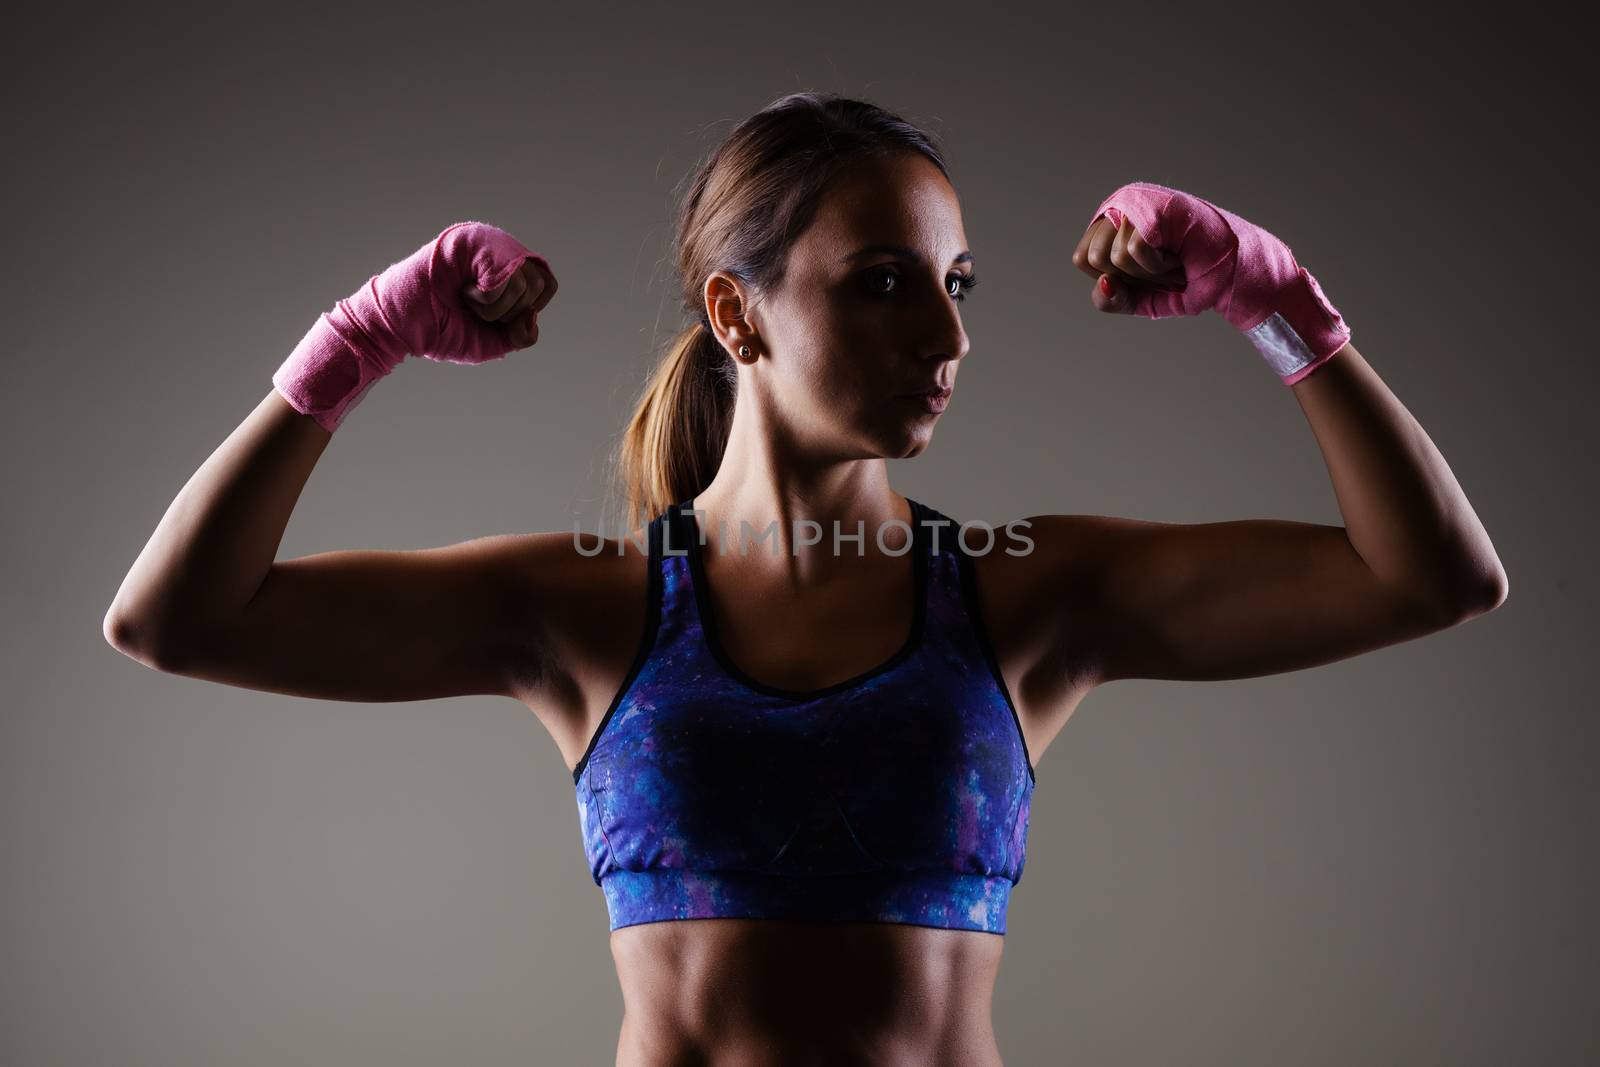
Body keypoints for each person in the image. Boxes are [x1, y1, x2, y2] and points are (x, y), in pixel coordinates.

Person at [102, 91, 1508, 1066]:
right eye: (883, 281)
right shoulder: (593, 605)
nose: (942, 333)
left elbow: (1431, 579)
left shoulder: (1025, 597)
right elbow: (175, 618)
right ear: (738, 312)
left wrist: (1282, 308)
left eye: (958, 285)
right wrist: (355, 344)